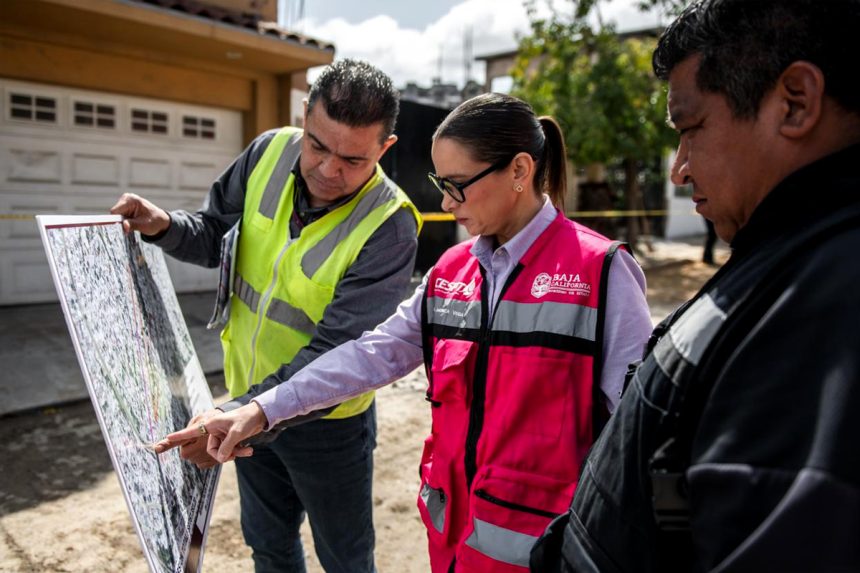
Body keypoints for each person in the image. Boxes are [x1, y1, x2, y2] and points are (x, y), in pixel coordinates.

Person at [159, 93, 654, 572]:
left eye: (457, 185)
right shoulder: (451, 272)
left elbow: (639, 440)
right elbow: (370, 354)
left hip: (548, 551)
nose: (445, 201)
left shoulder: (601, 273)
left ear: (520, 171)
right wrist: (259, 410)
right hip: (456, 546)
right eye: (441, 182)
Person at [529, 1, 860, 571]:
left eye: (690, 129)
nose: (678, 169)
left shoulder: (828, 308)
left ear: (796, 102)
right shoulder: (789, 265)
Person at [112, 59, 421, 572]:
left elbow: (337, 353)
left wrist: (246, 416)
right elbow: (214, 233)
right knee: (269, 547)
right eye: (317, 146)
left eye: (353, 159)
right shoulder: (268, 153)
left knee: (345, 559)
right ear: (304, 118)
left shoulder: (389, 225)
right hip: (245, 401)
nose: (329, 170)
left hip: (326, 425)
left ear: (384, 148)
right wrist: (163, 225)